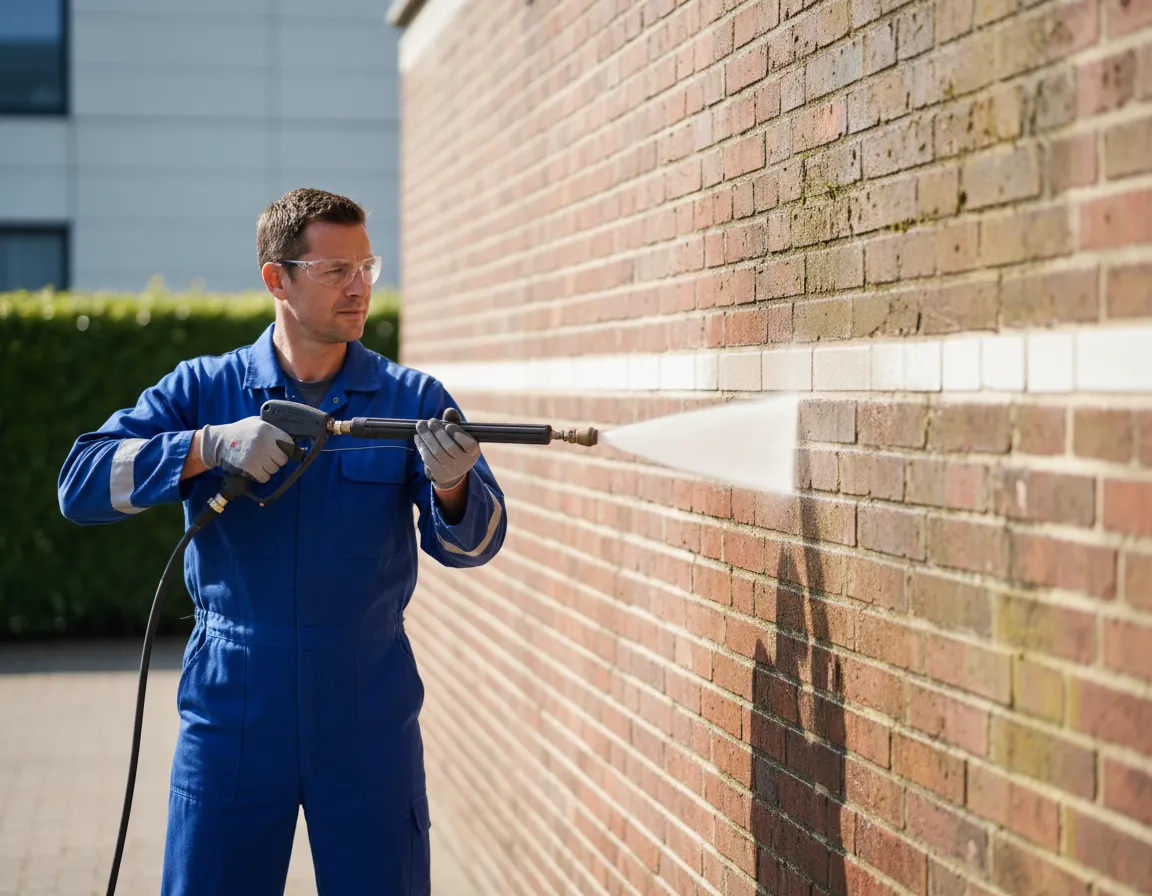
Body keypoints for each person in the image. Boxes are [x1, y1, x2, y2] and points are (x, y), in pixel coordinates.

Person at [57, 188, 507, 894]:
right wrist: (203, 446)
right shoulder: (203, 390)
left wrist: (455, 486)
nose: (360, 287)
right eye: (336, 271)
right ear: (277, 278)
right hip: (234, 705)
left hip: (367, 707)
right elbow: (79, 485)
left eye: (367, 267)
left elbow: (474, 544)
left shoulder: (411, 399)